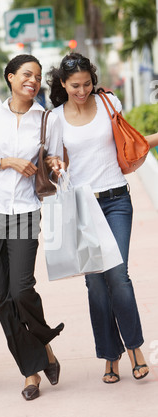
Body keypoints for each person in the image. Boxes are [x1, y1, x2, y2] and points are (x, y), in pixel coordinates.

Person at [47, 52, 157, 384]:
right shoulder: (56, 119)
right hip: (81, 207)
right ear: (63, 84)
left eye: (87, 84)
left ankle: (134, 347)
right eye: (75, 86)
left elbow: (128, 140)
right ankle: (111, 356)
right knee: (95, 282)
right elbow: (55, 161)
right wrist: (56, 166)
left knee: (118, 274)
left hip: (116, 199)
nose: (82, 91)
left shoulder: (109, 103)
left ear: (94, 80)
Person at [0, 54, 64, 400]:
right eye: (26, 74)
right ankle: (33, 368)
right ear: (10, 77)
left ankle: (42, 347)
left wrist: (55, 163)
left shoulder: (48, 120)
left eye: (37, 77)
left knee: (21, 290)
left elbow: (54, 168)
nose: (33, 81)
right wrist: (5, 162)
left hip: (24, 210)